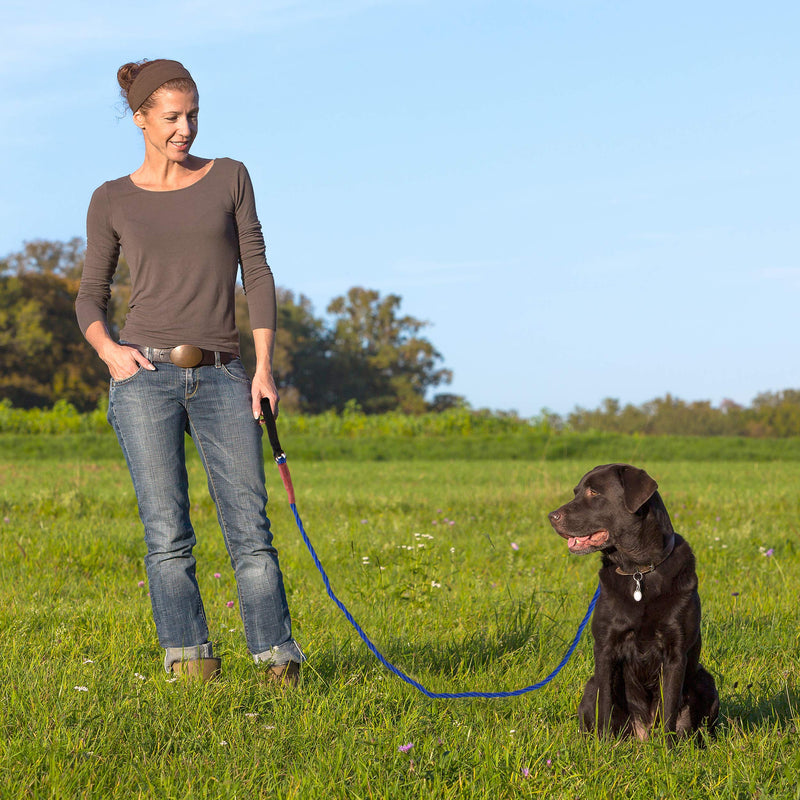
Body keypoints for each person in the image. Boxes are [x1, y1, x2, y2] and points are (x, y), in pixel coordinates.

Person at [76, 58, 303, 685]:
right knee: (166, 535)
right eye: (172, 117)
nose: (186, 128)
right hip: (143, 377)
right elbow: (88, 296)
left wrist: (263, 368)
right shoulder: (112, 198)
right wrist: (110, 352)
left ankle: (276, 660)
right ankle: (189, 660)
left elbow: (255, 272)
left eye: (193, 114)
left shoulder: (229, 177)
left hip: (225, 373)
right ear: (141, 118)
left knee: (250, 530)